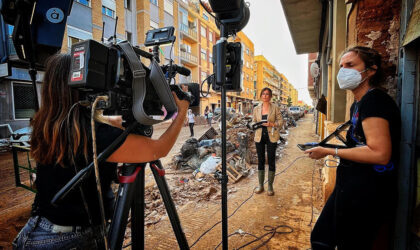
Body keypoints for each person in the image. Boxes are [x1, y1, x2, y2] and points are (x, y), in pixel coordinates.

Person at [12, 54, 189, 249]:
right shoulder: (95, 136)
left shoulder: (50, 125)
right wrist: (181, 113)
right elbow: (159, 150)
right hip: (68, 240)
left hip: (40, 230)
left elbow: (111, 122)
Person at [305, 46, 401, 249]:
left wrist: (329, 151)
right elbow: (358, 143)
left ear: (371, 70)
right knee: (322, 238)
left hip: (367, 194)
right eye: (341, 66)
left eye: (350, 65)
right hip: (350, 187)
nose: (343, 71)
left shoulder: (375, 101)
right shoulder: (358, 103)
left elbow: (380, 153)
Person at [252, 87, 283, 196]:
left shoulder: (275, 108)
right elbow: (253, 121)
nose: (265, 96)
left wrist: (272, 124)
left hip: (272, 135)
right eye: (263, 94)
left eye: (267, 94)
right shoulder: (256, 108)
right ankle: (261, 185)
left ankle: (270, 186)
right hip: (259, 135)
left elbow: (280, 121)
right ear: (261, 96)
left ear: (270, 96)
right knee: (260, 159)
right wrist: (255, 125)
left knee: (271, 160)